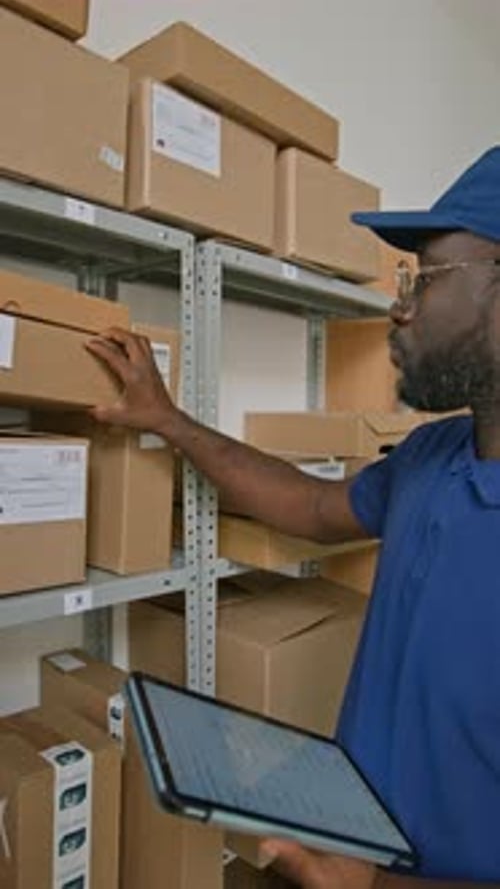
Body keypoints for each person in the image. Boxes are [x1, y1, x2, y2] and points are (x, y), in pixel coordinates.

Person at [86, 146, 500, 889]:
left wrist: (372, 885)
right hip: (338, 839)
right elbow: (307, 505)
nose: (400, 305)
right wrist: (170, 422)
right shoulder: (434, 453)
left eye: (426, 277)